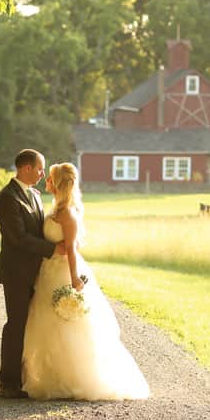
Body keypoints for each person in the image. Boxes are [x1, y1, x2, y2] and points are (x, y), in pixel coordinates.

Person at [22, 162, 150, 401]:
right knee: (46, 324)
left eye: (49, 178)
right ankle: (53, 376)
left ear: (57, 183)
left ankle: (77, 378)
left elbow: (71, 250)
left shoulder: (68, 214)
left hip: (63, 273)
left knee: (67, 325)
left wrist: (74, 282)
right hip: (47, 271)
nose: (46, 181)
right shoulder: (54, 211)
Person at [0, 149, 65, 399]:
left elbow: (38, 231)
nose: (42, 174)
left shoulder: (35, 194)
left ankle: (27, 378)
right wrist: (53, 248)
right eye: (39, 169)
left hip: (38, 271)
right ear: (26, 168)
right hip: (16, 273)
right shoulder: (6, 198)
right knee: (16, 325)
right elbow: (18, 238)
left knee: (33, 324)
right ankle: (8, 382)